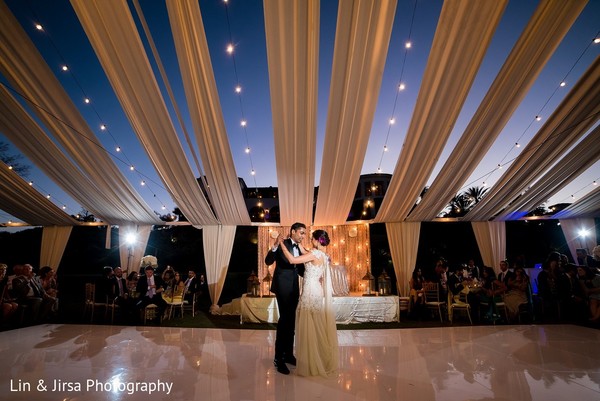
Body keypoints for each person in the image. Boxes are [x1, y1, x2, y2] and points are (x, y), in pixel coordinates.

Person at [276, 229, 338, 377]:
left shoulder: (314, 254)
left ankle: (312, 362)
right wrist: (297, 241)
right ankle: (318, 358)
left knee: (309, 325)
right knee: (315, 325)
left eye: (311, 238)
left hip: (310, 292)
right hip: (316, 291)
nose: (310, 240)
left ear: (317, 240)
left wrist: (281, 245)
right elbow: (304, 250)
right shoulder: (324, 255)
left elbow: (292, 260)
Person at [265, 222, 306, 375]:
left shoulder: (300, 248)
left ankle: (288, 355)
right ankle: (278, 359)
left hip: (294, 289)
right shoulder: (282, 244)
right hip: (282, 288)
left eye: (305, 234)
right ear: (293, 231)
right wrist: (275, 246)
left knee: (291, 322)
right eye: (301, 233)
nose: (303, 236)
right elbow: (268, 261)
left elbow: (301, 270)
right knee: (284, 321)